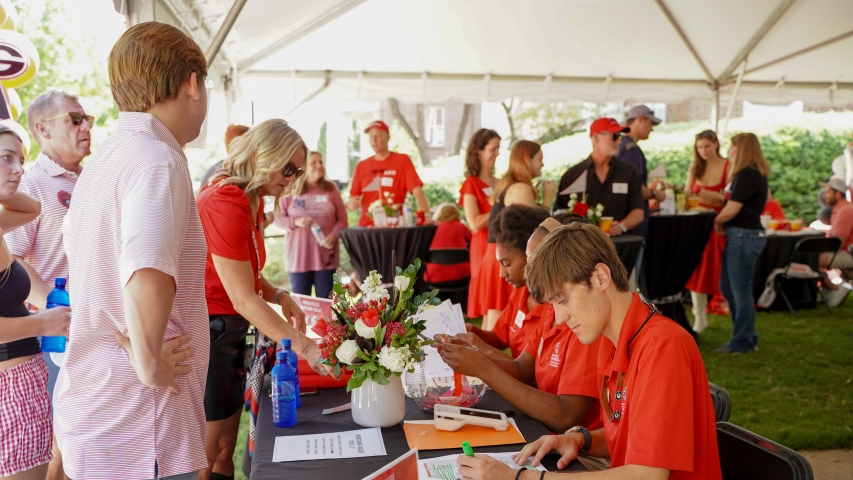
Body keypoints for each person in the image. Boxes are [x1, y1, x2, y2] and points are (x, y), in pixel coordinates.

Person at [57, 22, 211, 480]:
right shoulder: (155, 158)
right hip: (141, 424)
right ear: (191, 83)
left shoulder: (109, 156)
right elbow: (146, 267)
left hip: (104, 408)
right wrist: (148, 364)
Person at [456, 223, 722, 480]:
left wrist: (520, 478)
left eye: (563, 300)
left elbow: (647, 474)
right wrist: (580, 439)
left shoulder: (661, 349)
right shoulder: (610, 339)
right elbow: (630, 432)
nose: (559, 318)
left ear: (600, 278)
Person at [198, 120, 337, 480]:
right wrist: (304, 345)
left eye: (298, 171)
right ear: (262, 154)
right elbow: (242, 296)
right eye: (288, 168)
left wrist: (281, 294)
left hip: (226, 334)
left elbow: (247, 275)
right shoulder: (226, 200)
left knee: (225, 448)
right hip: (209, 335)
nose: (292, 179)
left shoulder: (250, 199)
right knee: (205, 453)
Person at [435, 214, 604, 470]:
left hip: (580, 452)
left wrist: (482, 365)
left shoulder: (584, 323)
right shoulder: (551, 310)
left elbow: (564, 417)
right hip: (550, 435)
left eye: (537, 261)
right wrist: (474, 353)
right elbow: (523, 369)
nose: (530, 273)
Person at [4, 89, 91, 480]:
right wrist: (57, 312)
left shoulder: (90, 179)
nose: (86, 125)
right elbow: (17, 256)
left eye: (87, 118)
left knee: (82, 439)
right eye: (75, 119)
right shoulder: (33, 183)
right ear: (43, 128)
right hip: (52, 338)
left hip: (86, 330)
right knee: (61, 445)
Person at [0, 125, 70, 479]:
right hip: (9, 386)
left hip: (20, 382)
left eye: (21, 160)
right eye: (6, 159)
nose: (19, 169)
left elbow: (32, 208)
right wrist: (43, 323)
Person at [471, 140, 555, 329]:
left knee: (490, 321)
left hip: (497, 257)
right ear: (527, 160)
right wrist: (548, 200)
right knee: (496, 323)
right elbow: (532, 229)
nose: (542, 164)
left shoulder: (510, 185)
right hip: (505, 259)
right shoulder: (520, 188)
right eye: (539, 159)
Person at [464, 204, 550, 358]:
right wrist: (472, 331)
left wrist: (479, 348)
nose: (501, 274)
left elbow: (525, 371)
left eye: (507, 264)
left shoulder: (554, 308)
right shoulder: (520, 295)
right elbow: (498, 338)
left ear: (532, 256)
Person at [713, 133, 770, 355]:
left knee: (739, 291)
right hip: (744, 235)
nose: (730, 150)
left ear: (742, 149)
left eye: (733, 146)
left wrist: (717, 221)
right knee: (729, 288)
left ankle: (743, 341)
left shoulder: (747, 174)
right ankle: (745, 335)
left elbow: (733, 208)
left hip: (743, 236)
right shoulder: (755, 174)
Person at [555, 118, 644, 237]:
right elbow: (559, 214)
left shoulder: (629, 172)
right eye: (614, 136)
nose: (619, 141)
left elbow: (638, 211)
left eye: (620, 136)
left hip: (619, 247)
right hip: (582, 248)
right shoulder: (573, 175)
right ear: (596, 138)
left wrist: (622, 226)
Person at [277, 151, 348, 299]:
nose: (319, 166)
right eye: (313, 162)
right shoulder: (290, 188)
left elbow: (343, 219)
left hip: (325, 259)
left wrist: (334, 235)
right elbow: (277, 218)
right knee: (301, 308)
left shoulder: (331, 189)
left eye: (321, 162)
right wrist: (295, 221)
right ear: (303, 166)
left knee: (327, 307)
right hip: (299, 259)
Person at [684, 130, 729, 334]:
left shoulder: (727, 166)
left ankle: (726, 307)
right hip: (697, 223)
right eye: (700, 147)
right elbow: (686, 195)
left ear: (716, 144)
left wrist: (706, 193)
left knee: (718, 270)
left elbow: (729, 197)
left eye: (707, 146)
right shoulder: (695, 168)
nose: (704, 151)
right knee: (696, 270)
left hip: (719, 223)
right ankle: (699, 315)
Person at [345, 120, 431, 226]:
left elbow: (418, 191)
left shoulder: (402, 161)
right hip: (368, 227)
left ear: (388, 137)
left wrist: (426, 216)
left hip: (395, 226)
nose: (374, 140)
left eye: (378, 135)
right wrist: (350, 204)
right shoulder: (362, 166)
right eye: (371, 136)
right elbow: (352, 198)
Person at [459, 128, 500, 318]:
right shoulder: (471, 183)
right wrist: (497, 205)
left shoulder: (501, 182)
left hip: (501, 240)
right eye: (493, 149)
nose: (497, 153)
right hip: (483, 243)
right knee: (488, 295)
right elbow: (474, 223)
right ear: (479, 151)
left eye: (498, 148)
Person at [618, 105, 666, 238]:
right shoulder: (632, 151)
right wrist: (655, 193)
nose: (652, 129)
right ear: (640, 119)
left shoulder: (620, 146)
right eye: (650, 123)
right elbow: (635, 188)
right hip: (633, 225)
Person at [424, 203, 472, 286]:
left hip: (434, 276)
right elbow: (473, 244)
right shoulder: (461, 226)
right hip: (462, 274)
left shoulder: (431, 229)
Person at [819, 178, 853, 270]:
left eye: (828, 192)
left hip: (849, 254)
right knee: (810, 256)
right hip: (847, 252)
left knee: (810, 258)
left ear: (837, 193)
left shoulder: (845, 211)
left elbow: (837, 243)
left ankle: (833, 285)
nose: (824, 196)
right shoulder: (840, 209)